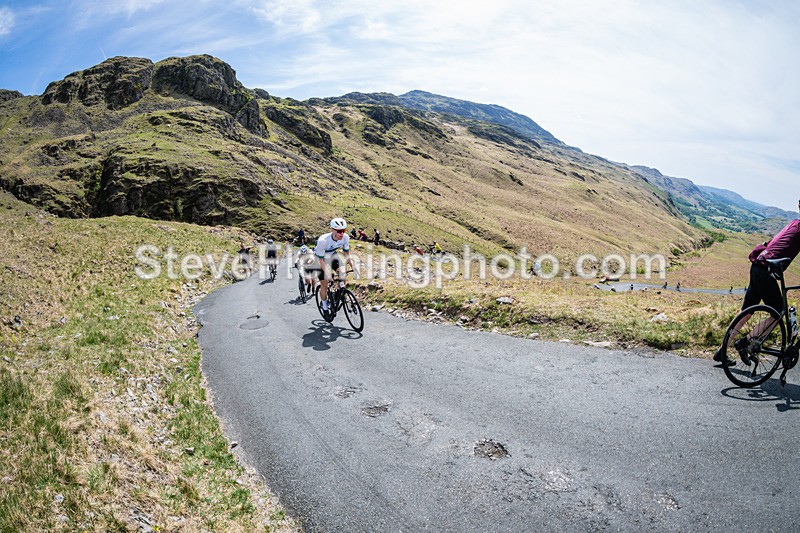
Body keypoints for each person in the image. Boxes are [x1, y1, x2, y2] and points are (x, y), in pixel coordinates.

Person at [714, 208, 800, 365]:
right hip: (767, 271)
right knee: (778, 313)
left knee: (747, 311)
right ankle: (744, 343)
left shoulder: (794, 223)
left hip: (758, 265)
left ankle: (722, 350)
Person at [315, 218, 356, 317]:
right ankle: (324, 306)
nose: (342, 234)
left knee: (343, 274)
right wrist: (328, 274)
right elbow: (320, 260)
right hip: (319, 259)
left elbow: (347, 254)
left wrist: (353, 266)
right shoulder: (323, 241)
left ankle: (337, 295)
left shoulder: (345, 238)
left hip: (332, 255)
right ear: (333, 230)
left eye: (344, 230)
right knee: (324, 284)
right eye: (339, 231)